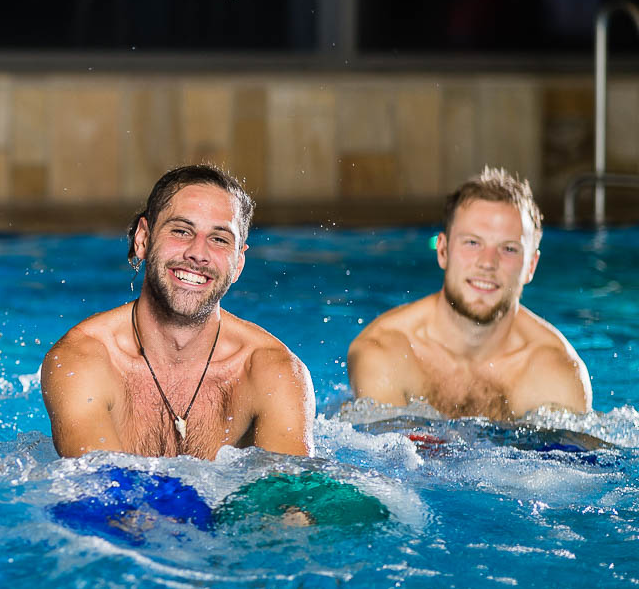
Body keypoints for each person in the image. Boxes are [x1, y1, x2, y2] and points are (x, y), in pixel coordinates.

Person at [42, 164, 313, 459]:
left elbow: (291, 499)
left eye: (219, 239)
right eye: (182, 231)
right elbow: (99, 492)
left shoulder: (274, 373)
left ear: (238, 264)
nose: (198, 253)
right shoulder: (83, 360)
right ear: (143, 239)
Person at [347, 167, 591, 419]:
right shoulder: (384, 352)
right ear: (442, 250)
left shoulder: (557, 372)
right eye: (472, 243)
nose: (487, 263)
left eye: (508, 249)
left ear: (530, 266)